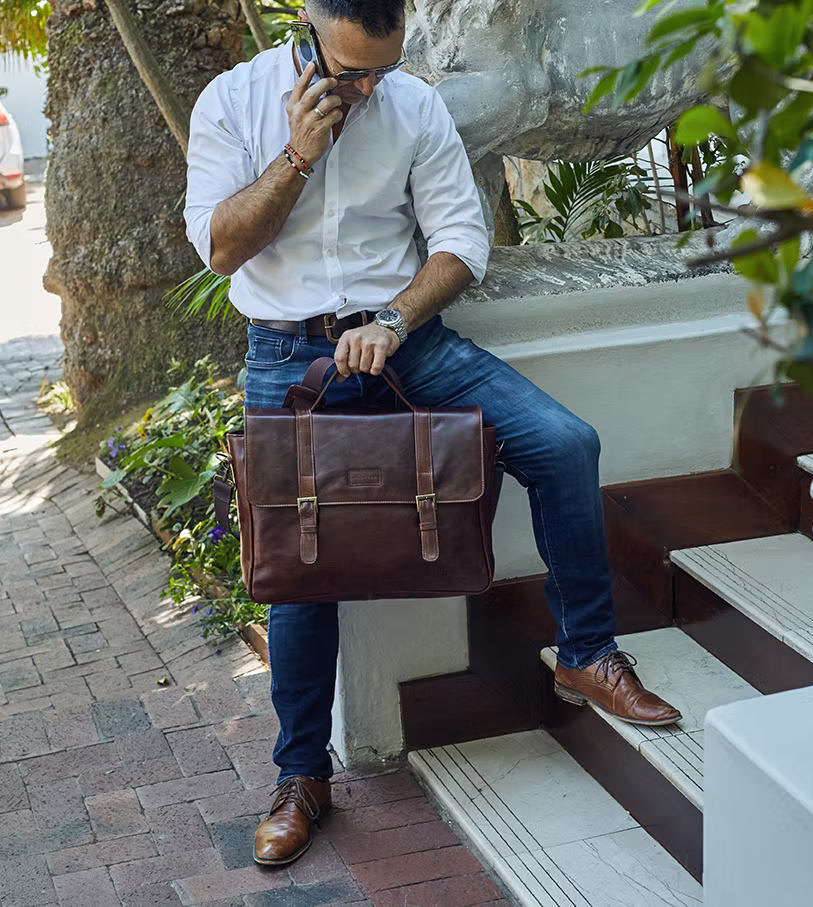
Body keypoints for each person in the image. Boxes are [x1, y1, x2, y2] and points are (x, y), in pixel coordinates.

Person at [184, 0, 681, 868]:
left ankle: (586, 654)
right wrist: (299, 157)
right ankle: (301, 776)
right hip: (287, 355)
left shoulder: (413, 106)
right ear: (306, 25)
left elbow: (459, 241)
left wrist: (394, 316)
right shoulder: (231, 101)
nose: (369, 88)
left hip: (409, 344)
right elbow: (221, 249)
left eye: (382, 68)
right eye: (349, 73)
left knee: (563, 443)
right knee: (296, 570)